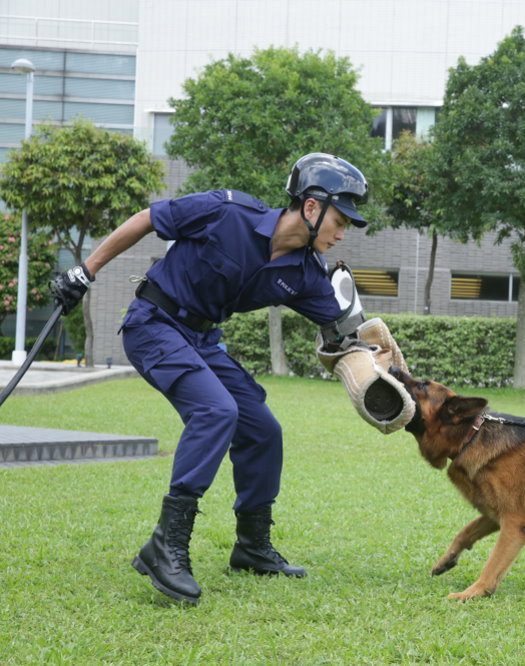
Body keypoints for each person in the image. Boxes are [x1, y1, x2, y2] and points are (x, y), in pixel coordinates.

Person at [50, 153, 369, 605]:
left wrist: (389, 376)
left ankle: (252, 546)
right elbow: (148, 218)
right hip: (154, 323)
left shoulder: (306, 273)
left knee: (262, 430)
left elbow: (348, 333)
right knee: (217, 411)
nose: (342, 234)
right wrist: (86, 270)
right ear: (312, 207)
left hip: (202, 340)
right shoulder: (228, 211)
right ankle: (167, 545)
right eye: (340, 220)